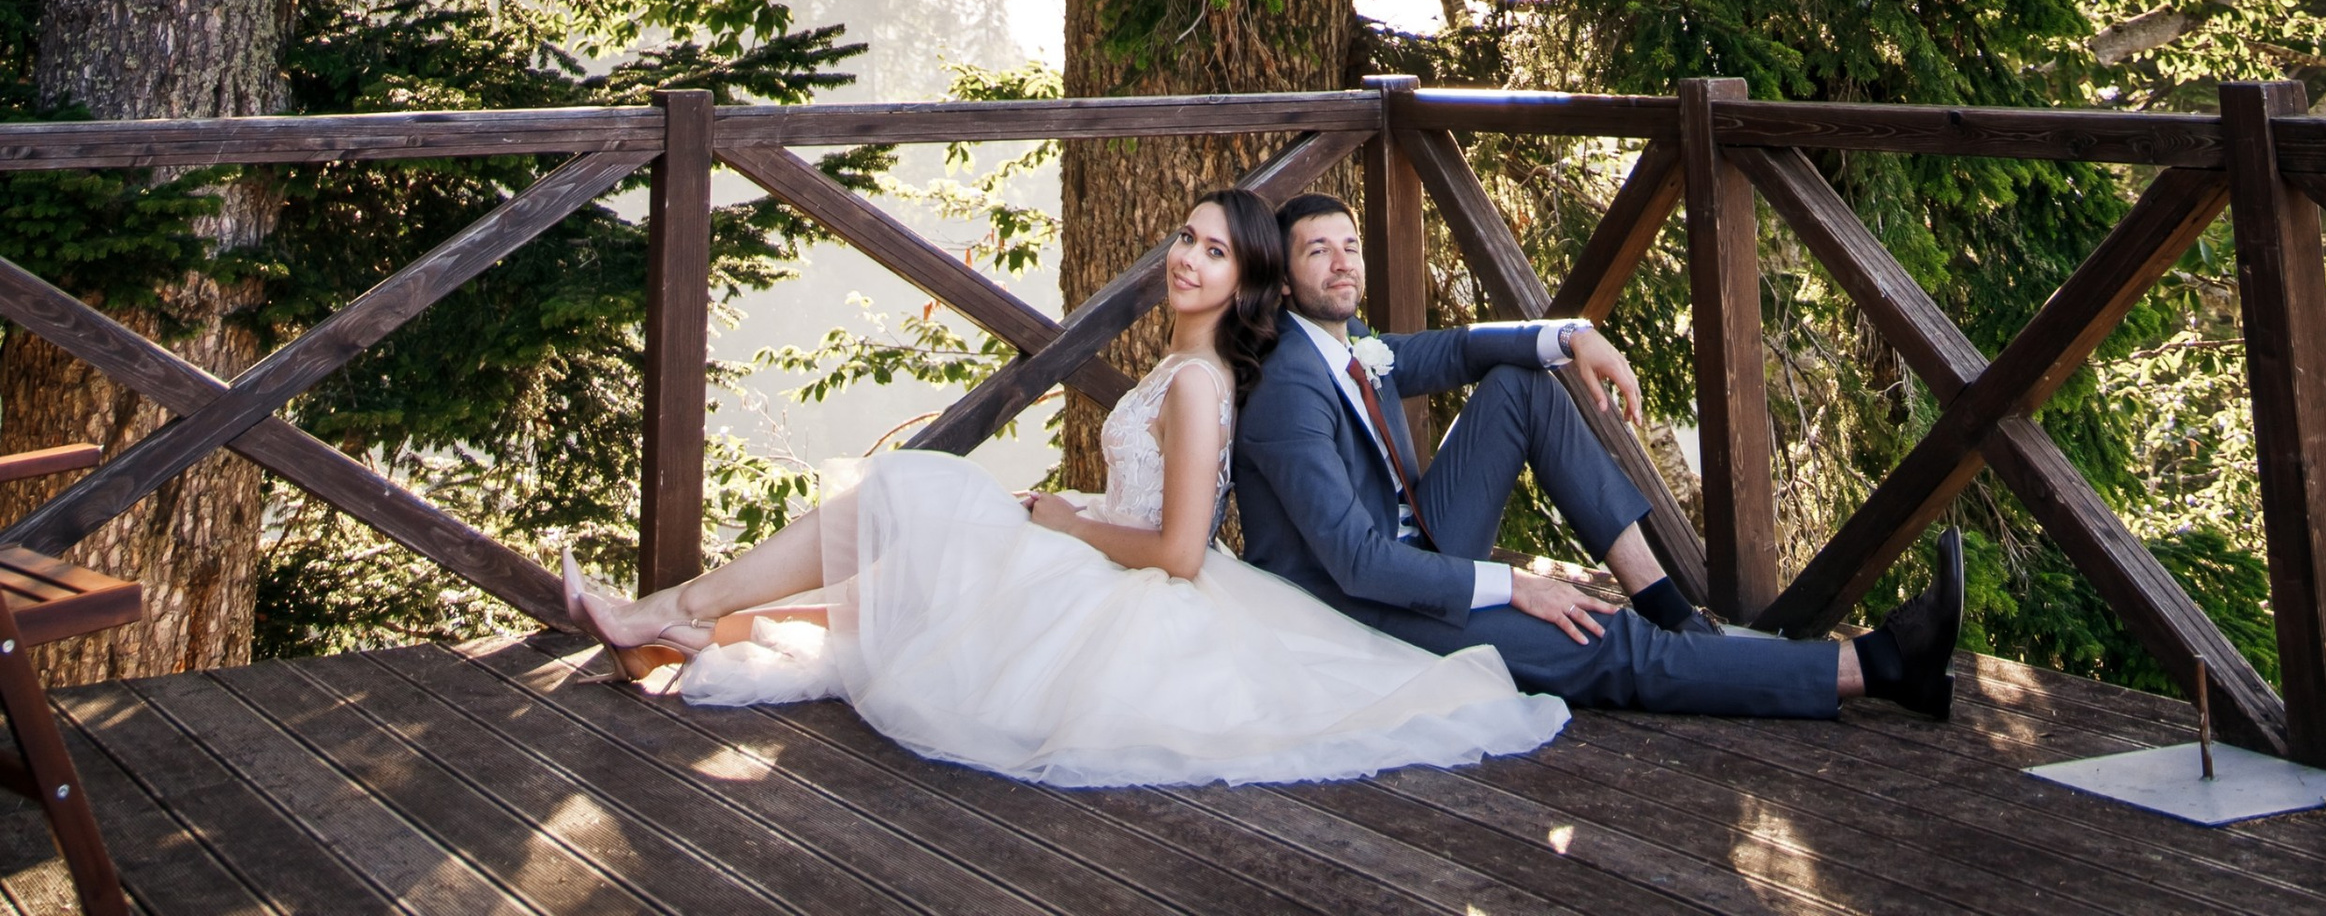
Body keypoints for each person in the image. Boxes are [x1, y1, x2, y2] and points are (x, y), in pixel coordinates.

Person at [559, 189, 1571, 790]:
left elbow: (1179, 552)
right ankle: (689, 630)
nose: (1186, 258)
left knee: (905, 497)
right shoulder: (1177, 371)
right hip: (1099, 544)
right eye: (1185, 238)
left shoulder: (1203, 384)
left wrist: (1064, 522)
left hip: (1140, 591)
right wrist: (1069, 513)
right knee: (902, 580)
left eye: (1214, 253)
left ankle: (679, 607)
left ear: (1243, 284)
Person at [1231, 192, 1965, 724]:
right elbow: (1359, 566)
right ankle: (1881, 667)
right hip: (1361, 612)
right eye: (1317, 251)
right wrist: (1513, 587)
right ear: (1285, 279)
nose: (1341, 263)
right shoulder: (1289, 387)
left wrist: (1574, 334)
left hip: (1417, 548)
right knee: (1609, 646)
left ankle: (1670, 607)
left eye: (1349, 245)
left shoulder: (1350, 342)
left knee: (1521, 384)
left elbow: (1458, 348)